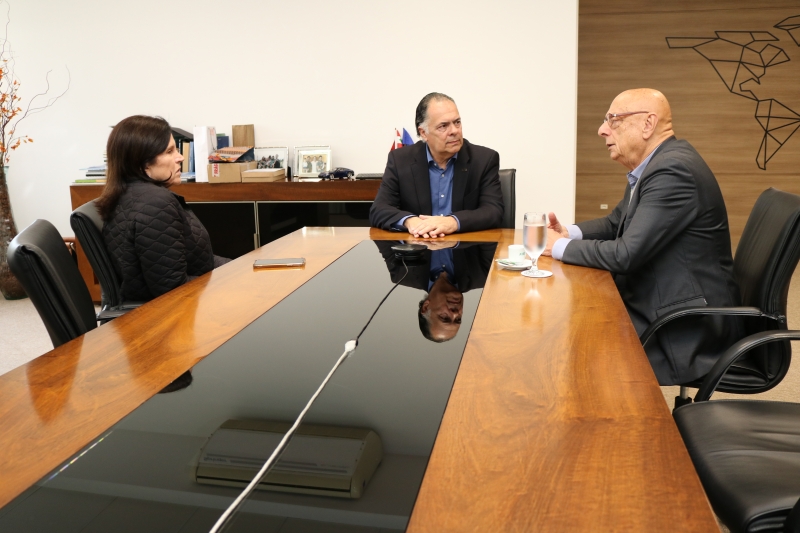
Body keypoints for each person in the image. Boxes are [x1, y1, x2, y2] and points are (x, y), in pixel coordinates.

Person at [543, 88, 741, 386]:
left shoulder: (673, 171)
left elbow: (625, 254)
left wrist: (558, 246)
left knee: (572, 343)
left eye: (613, 120)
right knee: (572, 319)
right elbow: (616, 223)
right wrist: (567, 232)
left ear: (648, 124)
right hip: (665, 300)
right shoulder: (654, 165)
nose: (602, 130)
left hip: (687, 326)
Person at [96, 115, 230, 302]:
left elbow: (201, 261)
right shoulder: (154, 204)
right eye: (169, 151)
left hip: (193, 295)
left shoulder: (131, 194)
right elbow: (172, 290)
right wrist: (230, 281)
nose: (180, 157)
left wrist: (239, 268)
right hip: (179, 310)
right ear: (143, 163)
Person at [369, 92, 504, 238]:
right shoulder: (400, 160)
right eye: (443, 126)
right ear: (423, 133)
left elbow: (493, 211)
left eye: (457, 122)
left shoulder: (483, 160)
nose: (454, 131)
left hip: (464, 247)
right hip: (419, 246)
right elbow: (379, 209)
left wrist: (453, 222)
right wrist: (410, 221)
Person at [375, 240, 494, 342]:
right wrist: (456, 237)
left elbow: (381, 231)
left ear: (426, 307)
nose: (455, 313)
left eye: (445, 318)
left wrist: (411, 228)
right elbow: (494, 231)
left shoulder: (402, 273)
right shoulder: (483, 276)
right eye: (458, 319)